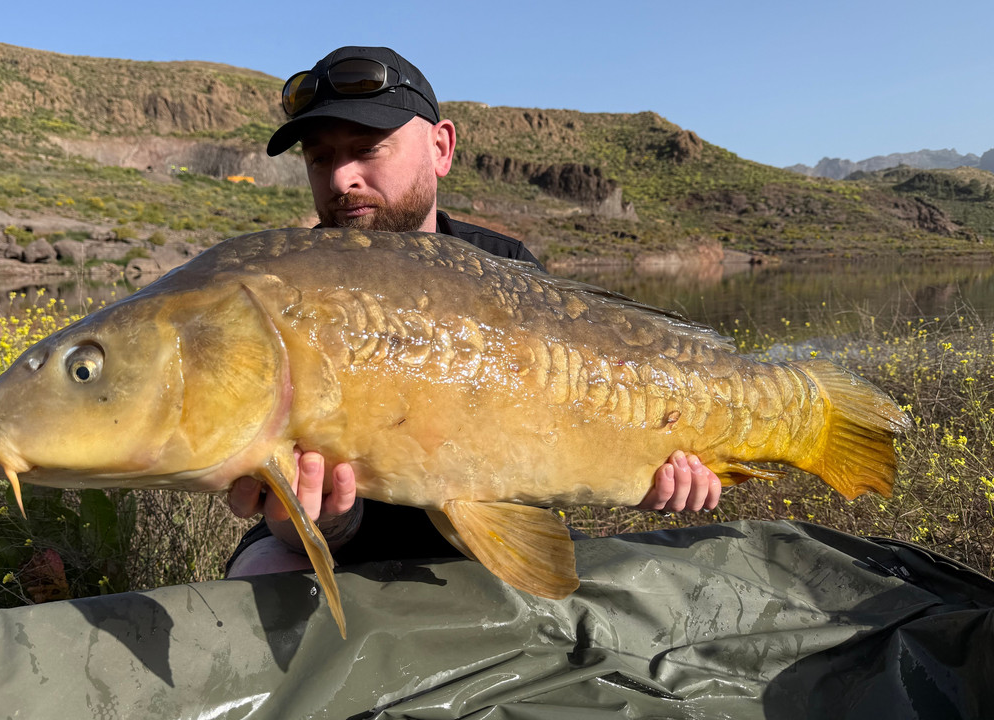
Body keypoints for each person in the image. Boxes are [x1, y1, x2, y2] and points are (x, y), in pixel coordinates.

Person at [225, 46, 722, 577]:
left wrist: (645, 472)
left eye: (367, 148)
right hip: (341, 541)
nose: (341, 178)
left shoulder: (508, 268)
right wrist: (319, 517)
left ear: (440, 148)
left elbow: (583, 420)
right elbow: (302, 525)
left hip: (490, 522)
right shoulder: (286, 291)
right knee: (265, 571)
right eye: (319, 158)